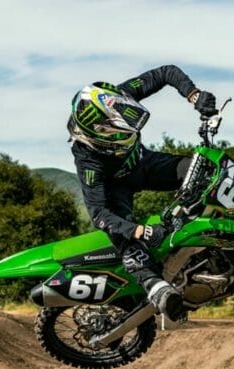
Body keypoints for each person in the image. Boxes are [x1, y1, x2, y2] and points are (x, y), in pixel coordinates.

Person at [67, 65, 218, 320]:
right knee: (121, 229)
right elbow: (98, 213)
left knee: (203, 170)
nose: (129, 133)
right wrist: (140, 231)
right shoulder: (87, 159)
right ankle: (155, 286)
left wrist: (193, 95)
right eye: (120, 132)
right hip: (118, 186)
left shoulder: (117, 97)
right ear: (99, 136)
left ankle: (201, 235)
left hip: (144, 164)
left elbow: (165, 73)